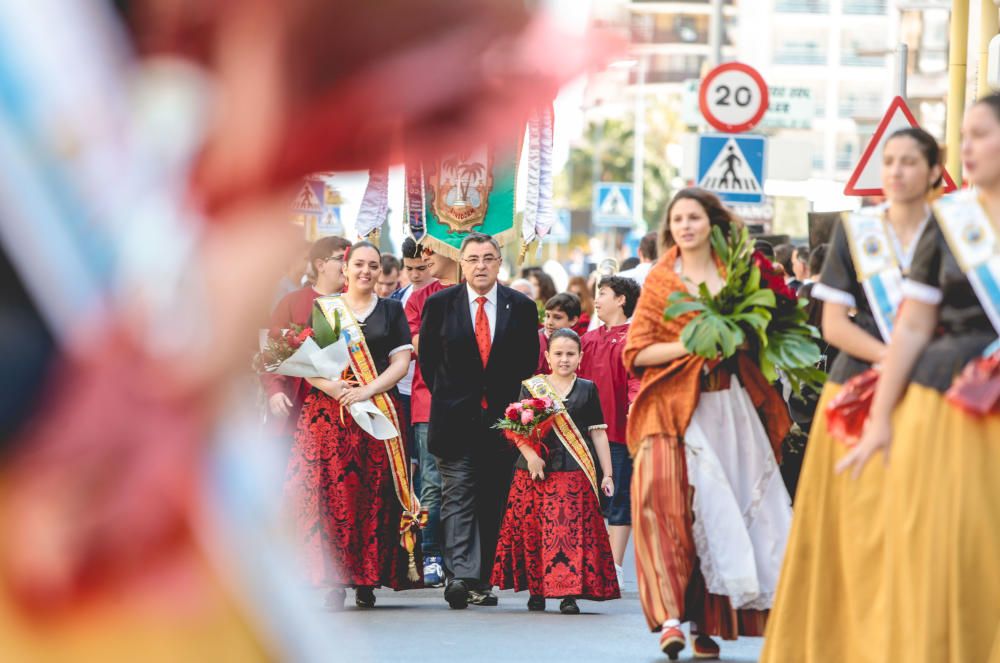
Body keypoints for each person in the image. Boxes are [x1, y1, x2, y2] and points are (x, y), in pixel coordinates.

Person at [761, 127, 943, 663]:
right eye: (889, 161)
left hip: (931, 391)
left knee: (918, 516)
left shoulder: (956, 232)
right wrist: (897, 359)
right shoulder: (855, 231)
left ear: (934, 171)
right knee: (850, 521)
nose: (897, 171)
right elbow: (835, 326)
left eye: (910, 161)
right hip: (859, 386)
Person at [833, 97, 1000, 663]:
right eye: (964, 136)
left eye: (981, 134)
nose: (968, 148)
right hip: (950, 404)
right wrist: (881, 419)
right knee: (950, 545)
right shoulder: (950, 222)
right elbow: (912, 327)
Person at [624, 188, 793, 660]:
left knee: (721, 517)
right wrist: (691, 344)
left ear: (712, 222)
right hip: (671, 408)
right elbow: (635, 353)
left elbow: (769, 330)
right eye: (677, 218)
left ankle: (704, 622)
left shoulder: (739, 274)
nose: (685, 225)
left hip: (729, 408)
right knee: (663, 506)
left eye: (694, 216)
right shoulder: (660, 281)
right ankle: (671, 619)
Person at [284, 241, 419, 611]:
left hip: (374, 414)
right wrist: (335, 388)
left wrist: (367, 391)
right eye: (358, 264)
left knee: (371, 495)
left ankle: (366, 577)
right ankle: (331, 579)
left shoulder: (391, 312)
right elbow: (312, 366)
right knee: (330, 496)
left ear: (380, 271)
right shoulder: (328, 310)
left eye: (373, 265)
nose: (366, 271)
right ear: (345, 269)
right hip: (329, 416)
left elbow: (401, 362)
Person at [419, 233, 540, 609]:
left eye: (488, 258)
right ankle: (460, 577)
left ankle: (481, 580)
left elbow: (527, 363)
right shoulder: (440, 305)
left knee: (491, 500)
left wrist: (513, 415)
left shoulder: (520, 306)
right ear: (462, 263)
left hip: (502, 424)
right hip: (454, 420)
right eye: (473, 259)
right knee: (458, 496)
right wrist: (454, 397)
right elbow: (428, 362)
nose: (481, 266)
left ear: (499, 263)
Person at [491, 329, 619, 614]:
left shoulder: (587, 388)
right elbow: (515, 427)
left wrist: (607, 474)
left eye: (570, 354)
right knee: (534, 532)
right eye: (558, 354)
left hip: (575, 472)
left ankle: (568, 595)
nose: (564, 359)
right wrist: (531, 456)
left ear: (580, 357)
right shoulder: (533, 386)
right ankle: (537, 591)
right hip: (534, 472)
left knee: (571, 535)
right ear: (547, 356)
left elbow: (597, 433)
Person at [578, 275, 640, 589]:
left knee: (618, 496)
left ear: (621, 300)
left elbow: (636, 381)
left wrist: (635, 404)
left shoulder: (635, 339)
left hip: (619, 431)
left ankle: (614, 565)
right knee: (587, 499)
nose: (597, 299)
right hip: (583, 433)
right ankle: (591, 560)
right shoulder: (588, 341)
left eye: (603, 294)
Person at [404, 244, 461, 587]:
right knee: (432, 483)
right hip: (429, 401)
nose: (426, 258)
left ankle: (465, 559)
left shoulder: (483, 294)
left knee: (469, 484)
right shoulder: (419, 298)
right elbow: (419, 345)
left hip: (475, 403)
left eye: (432, 249)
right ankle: (431, 554)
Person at [263, 235, 351, 439]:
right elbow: (272, 351)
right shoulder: (292, 302)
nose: (347, 266)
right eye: (341, 259)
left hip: (345, 404)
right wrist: (275, 390)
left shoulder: (356, 303)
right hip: (297, 403)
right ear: (320, 264)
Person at [537, 293, 581, 374]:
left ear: (573, 320)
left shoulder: (579, 344)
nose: (549, 322)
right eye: (547, 316)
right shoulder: (535, 342)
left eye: (557, 317)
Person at [272, 238, 311, 306]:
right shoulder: (282, 287)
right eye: (306, 258)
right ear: (293, 259)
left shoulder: (305, 286)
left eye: (311, 259)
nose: (309, 263)